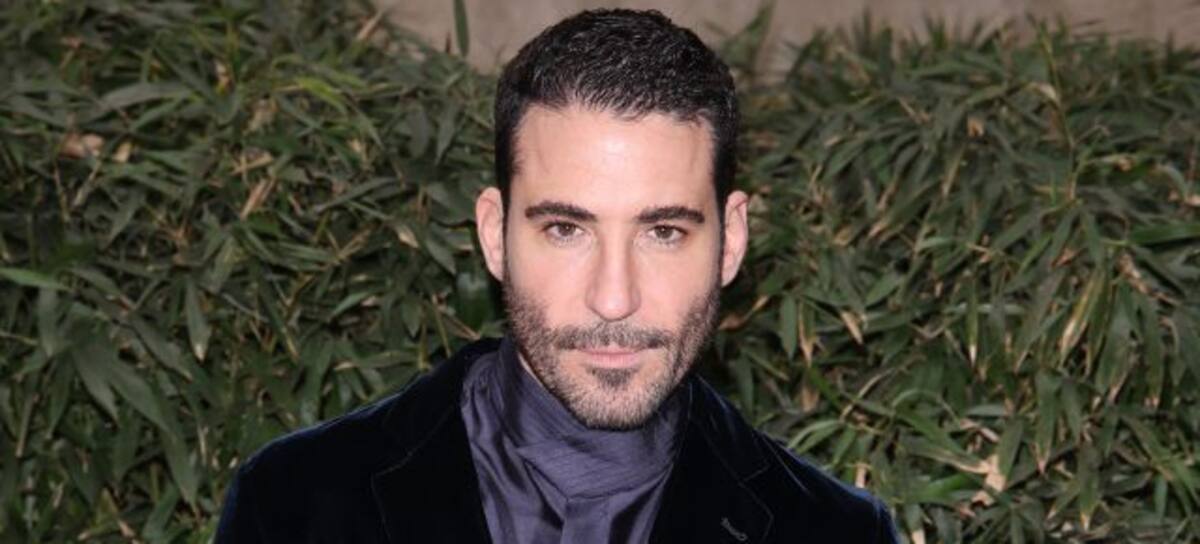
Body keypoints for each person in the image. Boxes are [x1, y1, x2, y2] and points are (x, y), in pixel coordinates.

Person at [216, 8, 897, 543]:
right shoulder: (295, 504)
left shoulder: (836, 533)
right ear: (494, 236)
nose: (613, 298)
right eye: (566, 229)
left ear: (731, 241)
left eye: (663, 232)